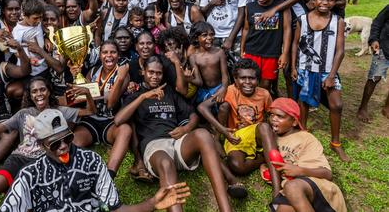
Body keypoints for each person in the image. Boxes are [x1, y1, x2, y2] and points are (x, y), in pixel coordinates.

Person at [0, 108, 190, 212]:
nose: (64, 146)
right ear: (41, 145)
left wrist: (152, 203)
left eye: (67, 138)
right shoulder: (30, 175)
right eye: (55, 144)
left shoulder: (92, 162)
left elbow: (117, 209)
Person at [114, 56, 234, 212]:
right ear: (143, 72)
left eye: (158, 73)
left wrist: (186, 129)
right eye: (151, 72)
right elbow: (118, 120)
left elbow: (193, 115)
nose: (155, 77)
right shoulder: (136, 95)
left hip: (177, 142)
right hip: (154, 147)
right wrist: (143, 96)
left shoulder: (168, 92)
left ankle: (226, 209)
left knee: (203, 134)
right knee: (166, 163)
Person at [0, 77, 95, 211]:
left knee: (17, 200)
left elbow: (90, 111)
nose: (39, 94)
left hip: (41, 163)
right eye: (34, 91)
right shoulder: (23, 114)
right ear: (30, 95)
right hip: (18, 159)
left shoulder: (59, 111)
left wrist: (88, 94)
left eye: (42, 90)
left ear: (49, 92)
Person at [198, 59, 281, 194]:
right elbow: (202, 107)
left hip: (256, 132)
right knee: (237, 166)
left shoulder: (264, 94)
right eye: (243, 78)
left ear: (258, 80)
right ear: (235, 80)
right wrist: (222, 130)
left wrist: (274, 132)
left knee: (264, 127)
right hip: (235, 136)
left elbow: (272, 115)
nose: (247, 82)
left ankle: (277, 190)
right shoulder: (229, 91)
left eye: (252, 78)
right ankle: (264, 157)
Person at [291, 0, 349, 161]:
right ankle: (303, 135)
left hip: (326, 70)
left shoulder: (337, 21)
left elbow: (340, 50)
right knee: (304, 103)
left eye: (330, 0)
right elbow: (295, 44)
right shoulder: (302, 19)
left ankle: (335, 143)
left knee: (336, 105)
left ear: (335, 1)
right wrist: (293, 66)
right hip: (305, 68)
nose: (325, 3)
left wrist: (332, 75)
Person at [267, 98, 347, 212]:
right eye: (271, 115)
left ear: (294, 122)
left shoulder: (306, 138)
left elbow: (327, 174)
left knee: (292, 187)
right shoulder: (271, 140)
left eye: (279, 116)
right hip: (293, 195)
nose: (273, 119)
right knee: (283, 209)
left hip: (317, 189)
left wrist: (300, 170)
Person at [73, 40, 132, 177]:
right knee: (74, 141)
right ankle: (75, 172)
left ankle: (109, 174)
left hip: (110, 122)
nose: (109, 55)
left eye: (113, 52)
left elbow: (111, 103)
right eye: (105, 52)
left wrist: (120, 78)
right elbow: (85, 98)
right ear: (100, 55)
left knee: (125, 130)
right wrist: (77, 76)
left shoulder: (123, 74)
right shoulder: (93, 71)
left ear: (118, 55)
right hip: (90, 121)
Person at [240, 0, 292, 94]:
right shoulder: (250, 6)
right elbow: (246, 29)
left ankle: (262, 106)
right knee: (250, 80)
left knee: (266, 83)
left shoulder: (281, 6)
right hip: (252, 50)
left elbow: (287, 29)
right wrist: (242, 49)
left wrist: (284, 53)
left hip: (271, 53)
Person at [356, 4, 389, 122]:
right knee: (375, 77)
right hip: (384, 47)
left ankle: (387, 106)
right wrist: (374, 39)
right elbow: (377, 22)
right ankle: (363, 107)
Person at [186, 22, 229, 104]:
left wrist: (223, 88)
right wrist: (188, 79)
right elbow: (199, 82)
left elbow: (225, 75)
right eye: (204, 35)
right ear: (196, 38)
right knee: (202, 108)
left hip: (220, 87)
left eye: (212, 34)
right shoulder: (193, 57)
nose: (209, 38)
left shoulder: (219, 52)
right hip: (204, 92)